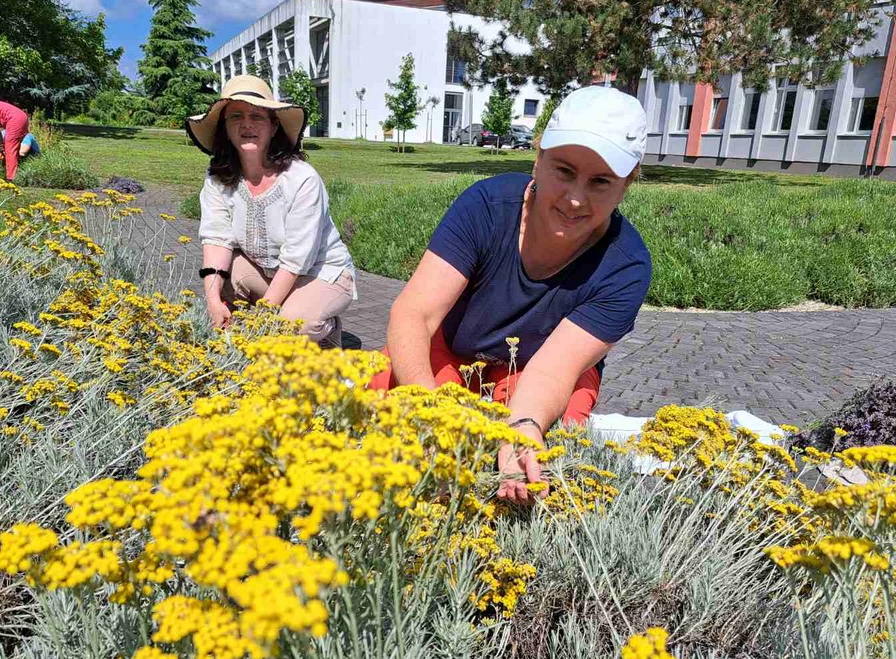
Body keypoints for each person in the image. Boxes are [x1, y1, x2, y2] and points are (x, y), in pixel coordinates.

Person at [371, 86, 652, 503]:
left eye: (600, 181)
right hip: (450, 350)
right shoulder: (487, 205)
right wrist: (429, 411)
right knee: (389, 422)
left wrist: (523, 428)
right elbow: (415, 314)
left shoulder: (625, 266)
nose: (575, 198)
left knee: (552, 453)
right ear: (537, 159)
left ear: (626, 186)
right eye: (563, 170)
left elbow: (553, 371)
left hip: (537, 372)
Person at [187, 75, 356, 345]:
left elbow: (296, 259)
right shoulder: (218, 177)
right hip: (268, 271)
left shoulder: (302, 179)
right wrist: (212, 300)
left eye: (257, 116)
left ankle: (325, 331)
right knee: (223, 282)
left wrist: (264, 315)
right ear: (224, 127)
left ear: (273, 126)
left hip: (321, 273)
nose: (246, 124)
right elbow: (216, 238)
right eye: (236, 116)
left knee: (291, 325)